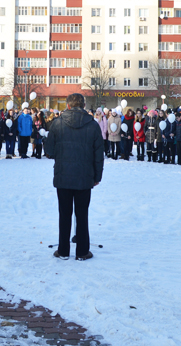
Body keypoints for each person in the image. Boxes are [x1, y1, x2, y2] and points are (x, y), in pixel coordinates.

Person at [44, 93, 104, 261]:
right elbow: (99, 154)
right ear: (83, 106)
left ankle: (63, 250)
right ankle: (82, 251)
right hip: (84, 177)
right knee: (82, 214)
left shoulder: (57, 124)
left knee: (64, 214)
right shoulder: (93, 126)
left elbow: (50, 151)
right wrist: (97, 176)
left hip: (64, 176)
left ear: (68, 106)